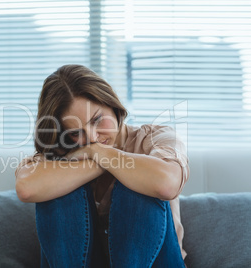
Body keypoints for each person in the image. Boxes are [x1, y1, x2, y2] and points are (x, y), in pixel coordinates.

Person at [15, 64, 189, 268]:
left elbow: (166, 184)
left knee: (137, 186)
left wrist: (99, 154)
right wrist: (98, 159)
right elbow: (26, 188)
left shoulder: (155, 138)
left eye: (97, 120)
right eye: (76, 132)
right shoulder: (63, 151)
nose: (92, 138)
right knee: (59, 192)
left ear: (112, 104)